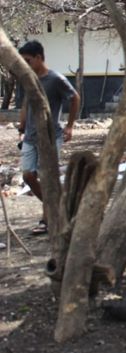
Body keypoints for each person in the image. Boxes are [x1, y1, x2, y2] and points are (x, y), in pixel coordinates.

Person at [17, 40, 80, 234]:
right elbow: (26, 103)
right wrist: (22, 125)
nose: (26, 64)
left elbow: (74, 97)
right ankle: (58, 208)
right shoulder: (29, 79)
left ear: (38, 57)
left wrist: (70, 126)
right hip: (29, 136)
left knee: (46, 177)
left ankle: (46, 219)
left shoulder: (56, 79)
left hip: (51, 136)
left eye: (28, 60)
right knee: (28, 174)